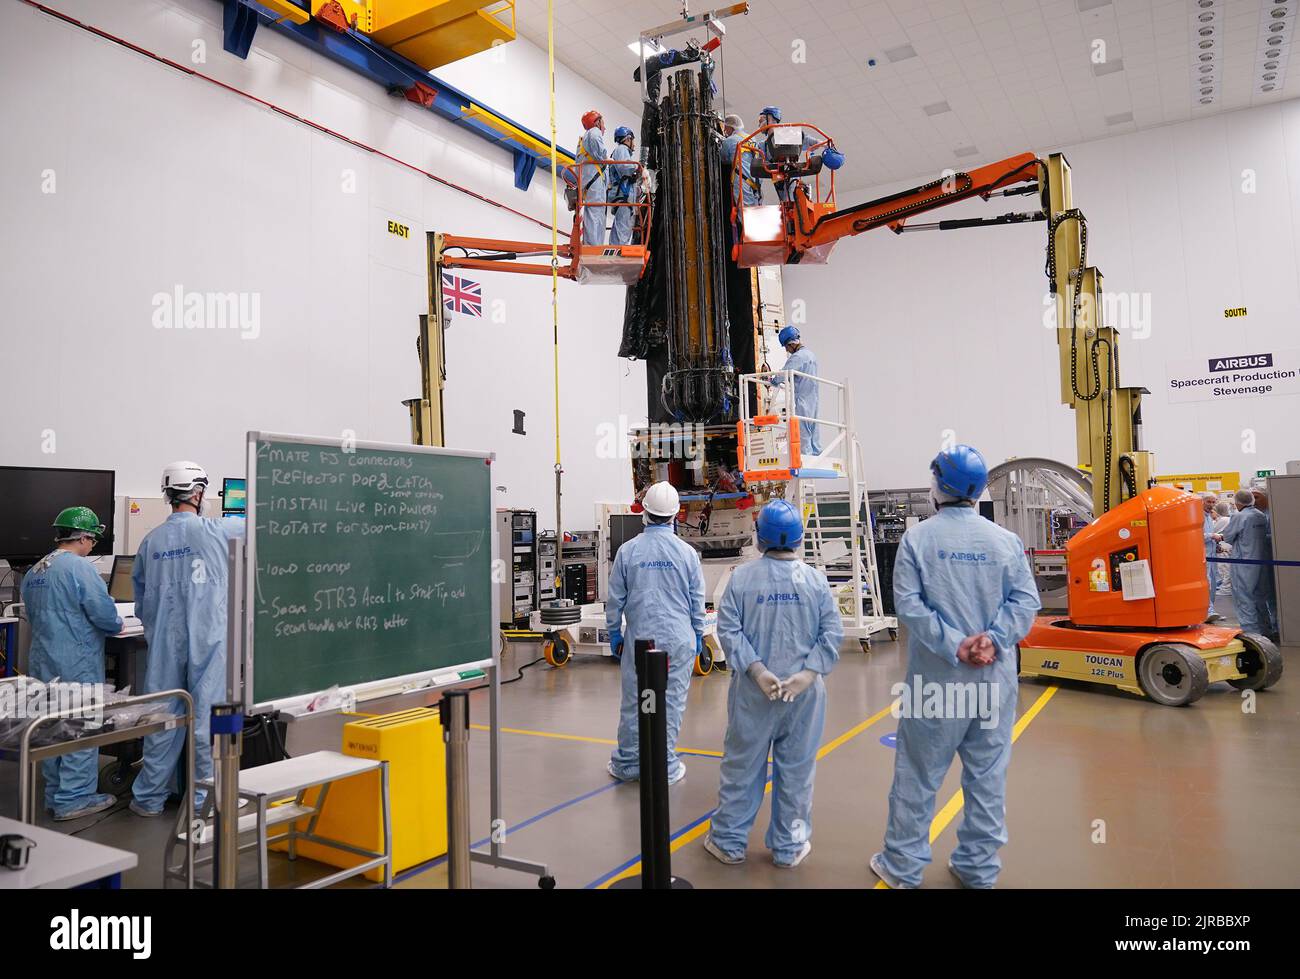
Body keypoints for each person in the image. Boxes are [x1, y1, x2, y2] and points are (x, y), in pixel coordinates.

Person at [870, 445, 1040, 889]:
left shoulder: (919, 539)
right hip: (993, 683)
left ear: (938, 486)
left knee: (918, 776)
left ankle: (903, 867)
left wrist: (953, 645)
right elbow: (1026, 602)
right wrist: (993, 639)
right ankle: (977, 868)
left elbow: (907, 604)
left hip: (937, 685)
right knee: (987, 779)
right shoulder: (1004, 542)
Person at [704, 499, 842, 869]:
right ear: (798, 539)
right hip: (804, 698)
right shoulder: (814, 581)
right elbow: (832, 633)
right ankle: (789, 846)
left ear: (759, 537)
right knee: (796, 772)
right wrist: (807, 674)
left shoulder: (743, 578)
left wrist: (758, 671)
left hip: (754, 695)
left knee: (742, 767)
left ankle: (729, 842)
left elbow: (728, 629)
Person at [130, 461, 245, 817]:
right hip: (209, 638)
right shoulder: (217, 529)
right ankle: (205, 801)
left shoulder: (150, 542)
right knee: (209, 718)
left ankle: (148, 798)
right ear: (197, 493)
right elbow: (268, 526)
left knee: (162, 717)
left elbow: (141, 600)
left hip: (165, 642)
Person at [20, 508, 122, 820]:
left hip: (42, 663)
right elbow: (105, 617)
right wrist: (118, 622)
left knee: (52, 729)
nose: (92, 546)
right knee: (80, 730)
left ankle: (55, 794)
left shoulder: (36, 569)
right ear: (84, 537)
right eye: (93, 539)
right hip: (76, 664)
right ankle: (74, 799)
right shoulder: (80, 568)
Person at [605, 481, 705, 785]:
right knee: (671, 703)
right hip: (679, 641)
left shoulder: (628, 551)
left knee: (636, 701)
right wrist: (699, 635)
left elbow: (615, 600)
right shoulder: (687, 553)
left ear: (644, 513)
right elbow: (696, 602)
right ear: (675, 515)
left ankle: (628, 764)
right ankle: (663, 766)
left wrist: (614, 635)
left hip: (640, 641)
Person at [1220, 487, 1277, 641]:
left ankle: (1252, 634)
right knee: (1260, 598)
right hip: (1261, 562)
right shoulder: (1260, 515)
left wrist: (1217, 538)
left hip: (1244, 563)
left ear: (1237, 503)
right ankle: (1266, 630)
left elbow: (1228, 536)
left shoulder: (1239, 516)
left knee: (1244, 598)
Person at [769, 324, 821, 456]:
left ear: (790, 344)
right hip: (813, 399)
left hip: (802, 400)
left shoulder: (797, 357)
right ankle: (816, 455)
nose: (787, 350)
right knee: (813, 430)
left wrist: (772, 381)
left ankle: (806, 457)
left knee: (803, 431)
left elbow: (782, 375)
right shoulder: (811, 355)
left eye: (786, 347)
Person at [577, 109, 609, 246]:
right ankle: (593, 246)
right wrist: (607, 159)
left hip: (591, 181)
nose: (604, 127)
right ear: (597, 122)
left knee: (595, 213)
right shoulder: (594, 132)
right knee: (595, 214)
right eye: (603, 122)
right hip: (594, 181)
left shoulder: (586, 136)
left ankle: (594, 245)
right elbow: (601, 154)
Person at [607, 125, 640, 247]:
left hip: (622, 195)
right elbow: (624, 168)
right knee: (623, 227)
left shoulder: (621, 151)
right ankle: (619, 251)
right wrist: (638, 167)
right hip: (623, 195)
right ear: (627, 139)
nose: (634, 145)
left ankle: (616, 248)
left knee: (620, 226)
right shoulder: (622, 149)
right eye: (633, 141)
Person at [720, 114, 760, 208]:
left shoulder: (729, 141)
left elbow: (723, 158)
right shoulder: (751, 138)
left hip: (742, 178)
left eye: (726, 128)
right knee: (756, 208)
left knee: (743, 210)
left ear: (731, 127)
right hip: (755, 179)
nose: (725, 131)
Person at [1201, 493, 1221, 623]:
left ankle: (1211, 610)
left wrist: (1216, 544)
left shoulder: (1209, 517)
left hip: (1212, 554)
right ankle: (1207, 610)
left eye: (1214, 502)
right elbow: (1196, 535)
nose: (1212, 505)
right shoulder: (1198, 515)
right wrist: (1212, 536)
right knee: (1207, 582)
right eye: (1209, 502)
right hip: (1204, 555)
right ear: (1202, 501)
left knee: (1214, 583)